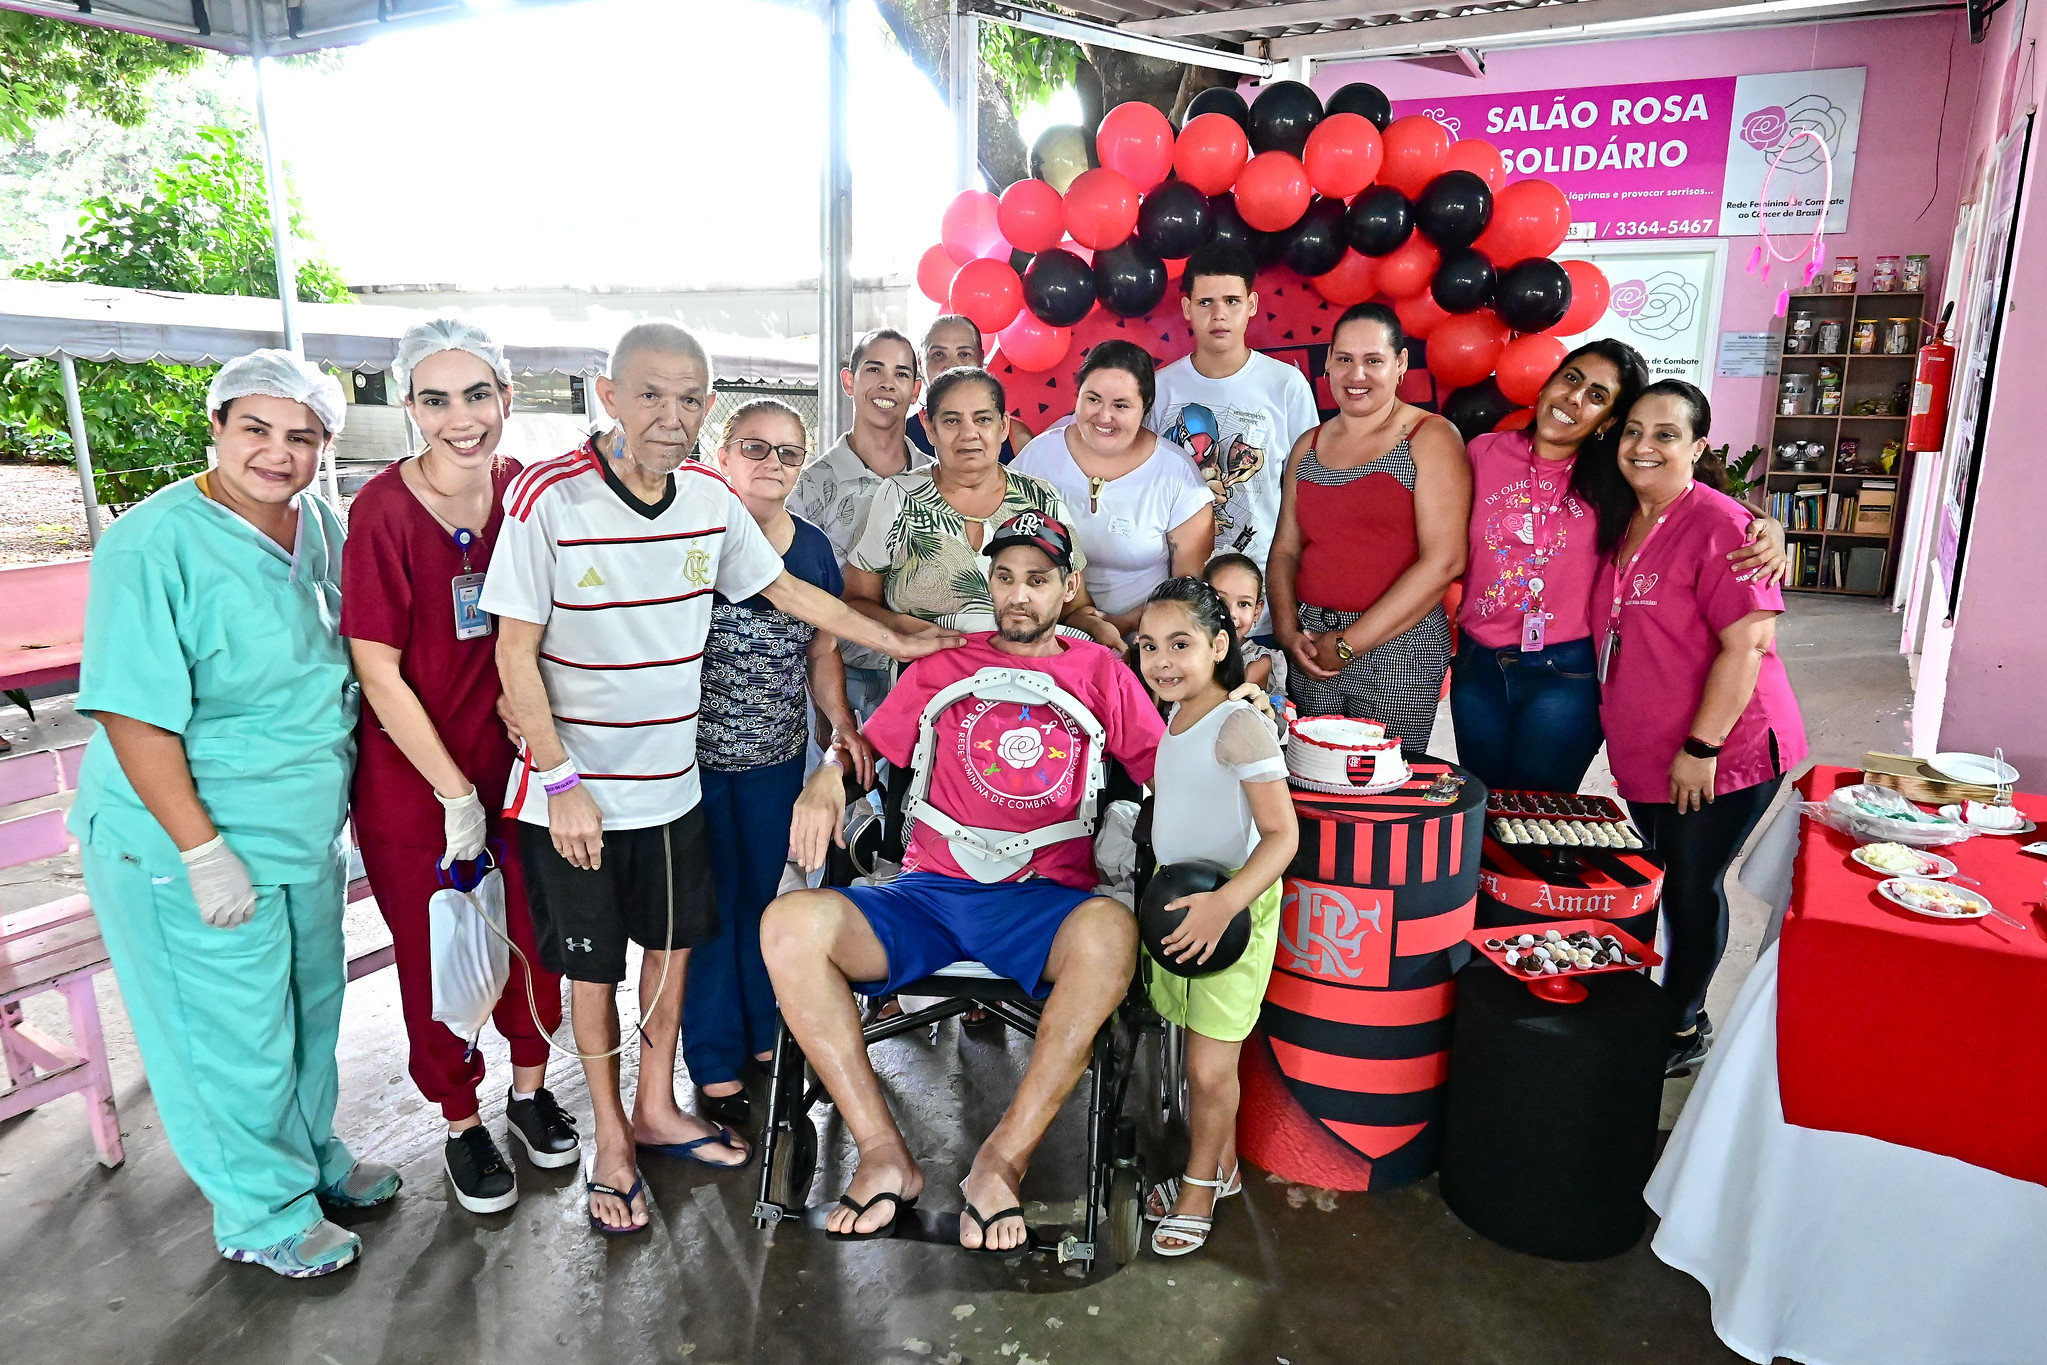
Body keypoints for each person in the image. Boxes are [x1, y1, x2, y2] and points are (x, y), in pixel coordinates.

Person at [481, 322, 955, 1237]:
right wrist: (560, 777)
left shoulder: (704, 494)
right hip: (577, 792)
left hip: (673, 785)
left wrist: (892, 637)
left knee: (670, 952)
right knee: (593, 973)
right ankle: (610, 1140)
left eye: (689, 397)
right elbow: (514, 651)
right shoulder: (548, 495)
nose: (671, 415)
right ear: (609, 396)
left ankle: (658, 1106)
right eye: (651, 395)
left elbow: (784, 592)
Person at [68, 351, 397, 1278]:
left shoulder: (322, 527)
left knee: (305, 1011)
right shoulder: (154, 541)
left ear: (325, 446)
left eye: (301, 436)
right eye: (255, 428)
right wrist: (201, 849)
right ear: (216, 427)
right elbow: (132, 710)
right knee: (228, 1035)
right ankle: (260, 1210)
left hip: (298, 827)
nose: (277, 452)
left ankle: (311, 1160)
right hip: (180, 834)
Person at [761, 514, 1165, 1249]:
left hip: (1043, 904)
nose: (1018, 595)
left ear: (1067, 586)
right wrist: (825, 775)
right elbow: (864, 753)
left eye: (1037, 580)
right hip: (927, 894)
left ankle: (1000, 1162)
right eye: (1005, 577)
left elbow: (1163, 770)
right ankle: (884, 1154)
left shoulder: (1101, 672)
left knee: (1112, 933)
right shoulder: (942, 664)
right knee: (789, 923)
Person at [342, 319, 578, 1217]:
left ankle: (526, 1089)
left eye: (477, 395)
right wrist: (452, 794)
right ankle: (458, 1118)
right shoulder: (383, 513)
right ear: (408, 407)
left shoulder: (522, 493)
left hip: (517, 766)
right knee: (440, 955)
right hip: (418, 782)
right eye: (435, 399)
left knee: (534, 934)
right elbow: (378, 668)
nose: (461, 418)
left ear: (507, 400)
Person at [1451, 341, 1792, 795]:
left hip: (1565, 673)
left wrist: (1769, 526)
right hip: (1479, 667)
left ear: (1609, 420)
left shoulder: (1616, 475)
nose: (1576, 398)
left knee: (1540, 813)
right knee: (1479, 808)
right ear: (1548, 384)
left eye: (1597, 395)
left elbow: (1698, 498)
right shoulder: (1483, 453)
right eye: (1571, 378)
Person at [1596, 381, 1807, 1077]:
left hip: (1725, 749)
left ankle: (1681, 1023)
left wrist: (1700, 747)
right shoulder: (1620, 515)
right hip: (1649, 749)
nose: (1643, 446)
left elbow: (1746, 644)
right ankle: (1670, 1005)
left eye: (1664, 434)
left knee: (1691, 883)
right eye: (1632, 430)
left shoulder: (1720, 526)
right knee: (1660, 876)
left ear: (1697, 447)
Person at [684, 398, 876, 1129]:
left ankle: (764, 1030)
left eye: (788, 453)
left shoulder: (814, 550)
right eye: (755, 449)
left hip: (772, 755)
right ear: (723, 454)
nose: (772, 464)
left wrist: (840, 729)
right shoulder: (692, 534)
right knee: (707, 901)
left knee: (763, 896)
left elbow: (822, 649)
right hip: (687, 763)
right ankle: (710, 1054)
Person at [1129, 578, 1296, 1256]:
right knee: (1193, 1046)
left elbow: (1282, 835)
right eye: (1148, 646)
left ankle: (1200, 1183)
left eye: (1180, 644)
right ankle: (1219, 1163)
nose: (1162, 661)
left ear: (1218, 645)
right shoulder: (1174, 714)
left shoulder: (1236, 722)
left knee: (1207, 1065)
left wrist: (1228, 902)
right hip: (1183, 906)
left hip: (1233, 911)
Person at [1266, 304, 1471, 750]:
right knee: (1315, 785)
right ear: (1328, 364)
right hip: (1312, 644)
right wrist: (1287, 631)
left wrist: (1348, 644)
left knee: (1382, 796)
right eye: (1344, 359)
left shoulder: (1428, 437)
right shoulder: (1310, 444)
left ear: (1400, 365)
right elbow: (1285, 550)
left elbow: (1445, 559)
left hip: (1399, 649)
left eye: (1373, 360)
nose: (1356, 373)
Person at [846, 366, 1123, 648]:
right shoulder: (899, 496)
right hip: (927, 677)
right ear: (930, 428)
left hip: (1026, 680)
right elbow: (856, 602)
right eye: (952, 421)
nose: (969, 434)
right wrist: (900, 626)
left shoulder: (1040, 498)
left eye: (983, 420)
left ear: (1003, 426)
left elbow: (1073, 606)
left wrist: (1095, 627)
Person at [1148, 239, 1321, 627]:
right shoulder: (1160, 391)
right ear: (1187, 308)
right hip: (1180, 597)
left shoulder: (1285, 385)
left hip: (1262, 599)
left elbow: (1308, 488)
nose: (1219, 315)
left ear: (1252, 306)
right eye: (1206, 302)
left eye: (1232, 301)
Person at [1010, 340, 1214, 637]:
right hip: (1050, 634)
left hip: (1149, 640)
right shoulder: (1039, 456)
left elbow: (1188, 590)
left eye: (1121, 405)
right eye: (1093, 399)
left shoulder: (1176, 473)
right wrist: (1080, 620)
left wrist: (1127, 624)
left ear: (1144, 408)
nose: (1104, 417)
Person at [790, 328, 929, 721]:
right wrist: (825, 709)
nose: (888, 383)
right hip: (834, 684)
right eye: (874, 369)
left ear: (916, 389)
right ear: (848, 381)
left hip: (923, 680)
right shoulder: (809, 488)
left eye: (902, 374)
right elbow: (794, 605)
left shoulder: (937, 482)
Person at [907, 313, 1035, 463]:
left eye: (964, 354)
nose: (952, 365)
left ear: (981, 359)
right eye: (939, 354)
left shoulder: (1018, 438)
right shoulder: (904, 438)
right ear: (921, 362)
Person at [1203, 553, 1285, 704]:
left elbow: (1223, 701)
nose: (1232, 614)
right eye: (1221, 601)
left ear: (1257, 611)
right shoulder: (1190, 647)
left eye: (1243, 604)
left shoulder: (1259, 661)